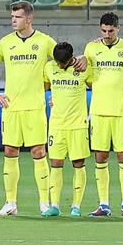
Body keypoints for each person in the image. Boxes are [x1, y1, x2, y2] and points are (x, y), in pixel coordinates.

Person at [0, 0, 55, 217]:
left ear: (29, 19)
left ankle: (44, 203)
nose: (13, 20)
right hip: (11, 108)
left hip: (35, 108)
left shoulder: (44, 41)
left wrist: (55, 91)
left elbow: (63, 62)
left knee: (38, 152)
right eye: (12, 17)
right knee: (10, 151)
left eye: (18, 17)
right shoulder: (5, 43)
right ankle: (10, 203)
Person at [81, 13, 123, 217]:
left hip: (121, 111)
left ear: (118, 28)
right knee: (101, 156)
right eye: (103, 31)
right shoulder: (91, 48)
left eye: (111, 31)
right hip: (99, 111)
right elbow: (86, 77)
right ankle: (104, 204)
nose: (107, 34)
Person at [43, 42, 90, 218]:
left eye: (62, 62)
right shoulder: (49, 67)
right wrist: (51, 96)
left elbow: (98, 86)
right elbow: (44, 86)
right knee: (55, 164)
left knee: (78, 164)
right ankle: (54, 205)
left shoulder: (84, 68)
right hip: (56, 125)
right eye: (57, 62)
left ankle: (76, 206)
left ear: (71, 58)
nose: (59, 65)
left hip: (78, 125)